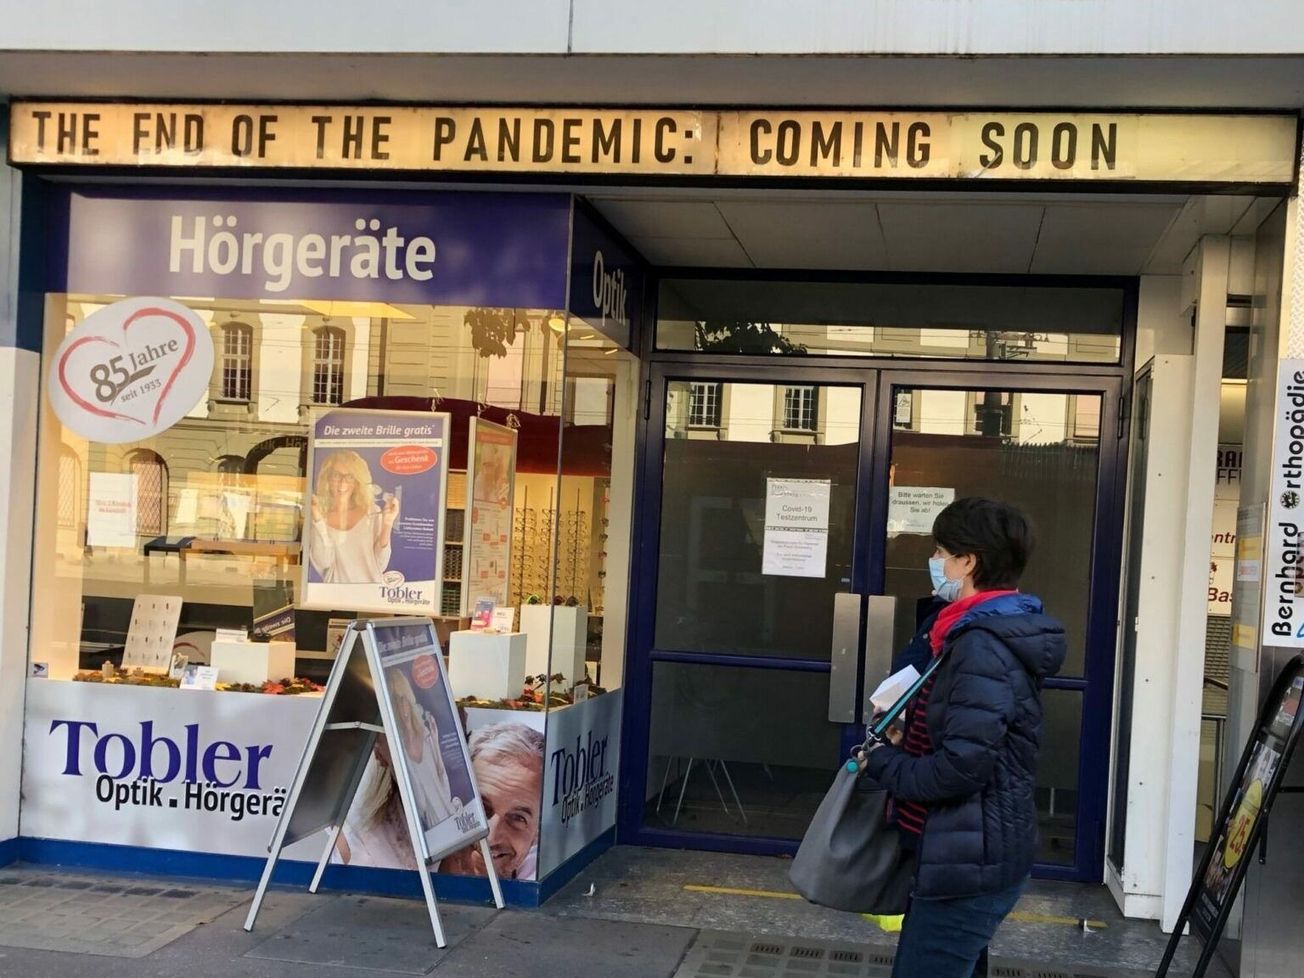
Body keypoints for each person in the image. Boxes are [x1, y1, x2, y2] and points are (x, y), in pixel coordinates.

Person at [862, 497, 1067, 978]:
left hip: (968, 862)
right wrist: (905, 731)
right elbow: (967, 734)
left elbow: (962, 768)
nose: (935, 563)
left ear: (968, 561)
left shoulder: (981, 644)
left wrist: (881, 763)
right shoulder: (965, 631)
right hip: (957, 852)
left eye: (940, 552)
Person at [440, 722, 544, 881]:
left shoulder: (547, 884)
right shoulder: (396, 865)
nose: (491, 837)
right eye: (480, 808)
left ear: (537, 831)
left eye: (517, 817)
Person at [307, 449, 399, 584]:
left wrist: (387, 524)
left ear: (357, 481)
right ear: (327, 478)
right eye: (336, 475)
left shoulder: (372, 512)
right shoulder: (319, 517)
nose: (342, 483)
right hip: (334, 597)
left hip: (369, 596)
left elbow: (380, 565)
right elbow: (323, 562)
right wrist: (318, 520)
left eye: (350, 477)